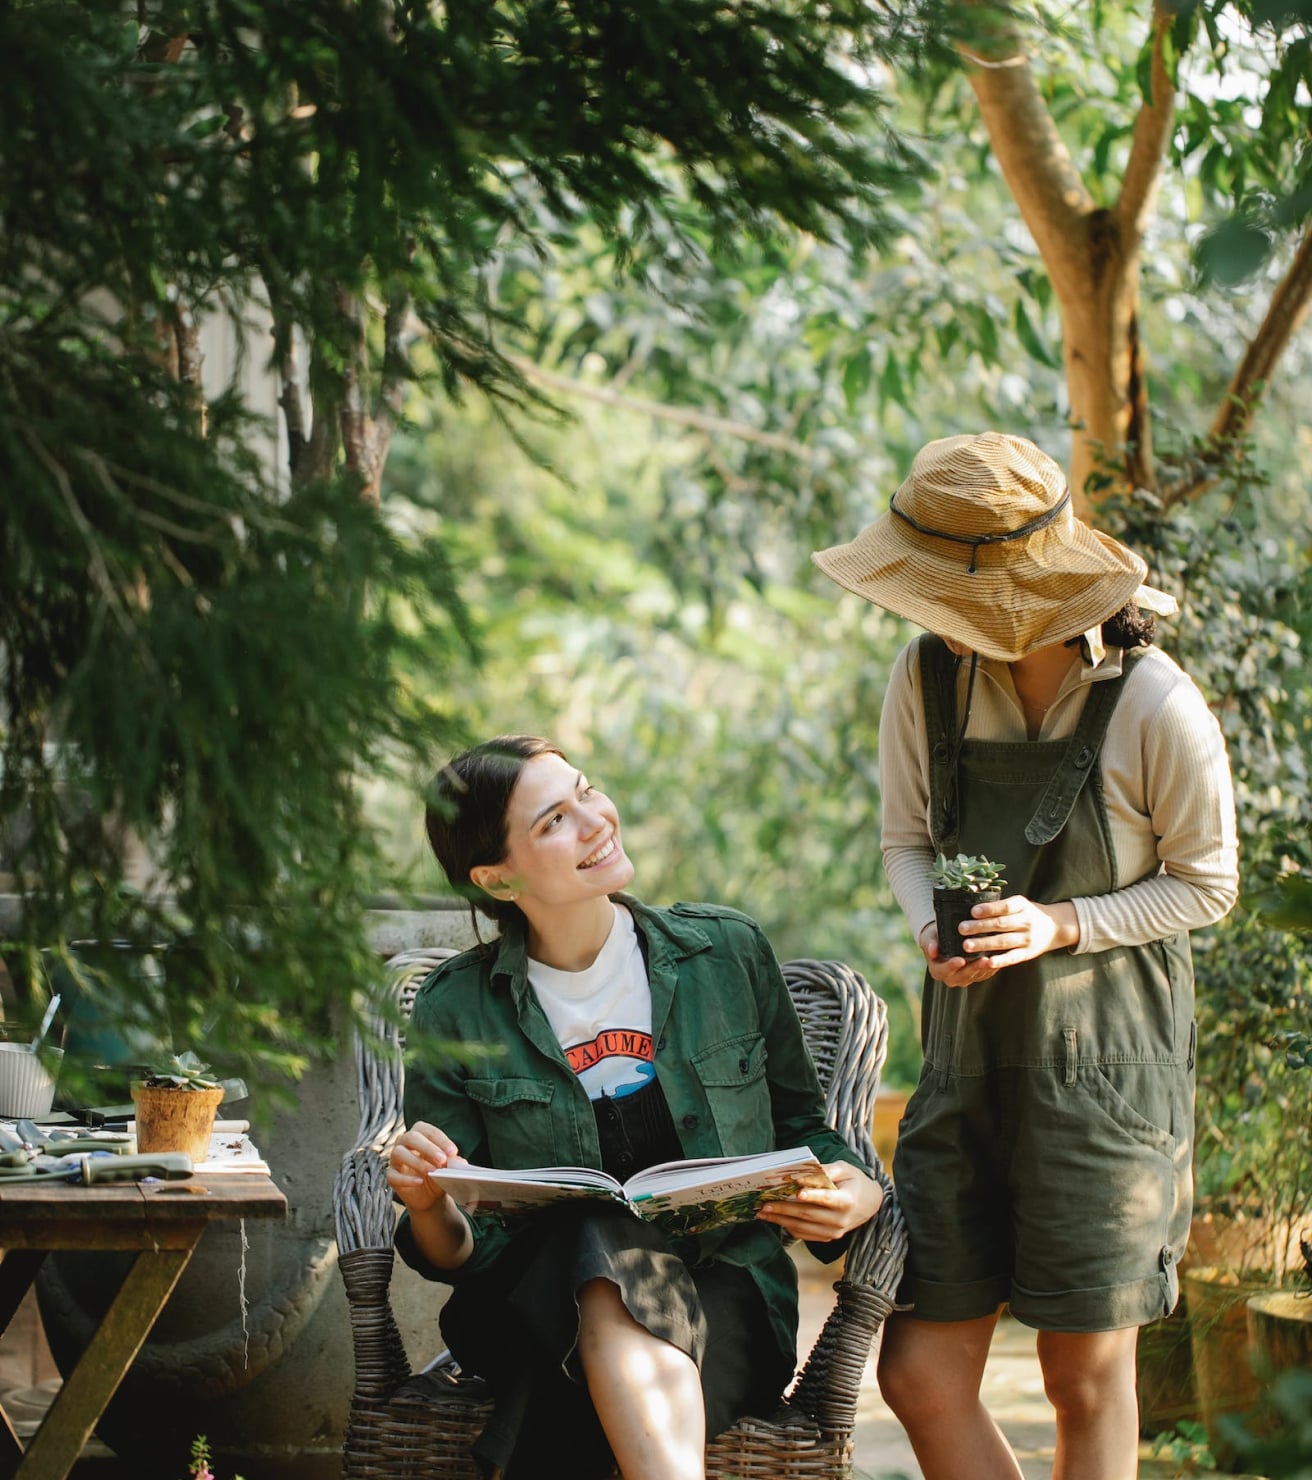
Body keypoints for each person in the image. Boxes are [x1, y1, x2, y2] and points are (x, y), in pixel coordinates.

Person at [811, 432, 1238, 1480]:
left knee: (1081, 1379)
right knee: (919, 1370)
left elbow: (1208, 882)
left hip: (1107, 1081)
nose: (923, 615)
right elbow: (905, 843)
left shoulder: (1155, 702)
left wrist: (1061, 925)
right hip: (964, 1068)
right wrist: (931, 924)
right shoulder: (926, 677)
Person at [387, 735, 883, 1480]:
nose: (597, 820)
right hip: (532, 1304)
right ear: (496, 877)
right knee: (595, 1235)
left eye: (586, 791)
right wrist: (428, 1202)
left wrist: (858, 1190)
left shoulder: (725, 954)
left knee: (559, 1393)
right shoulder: (458, 1007)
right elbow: (460, 1249)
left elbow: (805, 1129)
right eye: (556, 820)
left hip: (726, 1300)